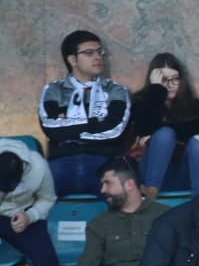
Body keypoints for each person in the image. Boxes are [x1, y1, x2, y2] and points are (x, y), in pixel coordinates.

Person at [38, 30, 131, 197]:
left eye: (99, 52)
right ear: (72, 59)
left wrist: (69, 128)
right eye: (89, 53)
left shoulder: (115, 90)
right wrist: (95, 123)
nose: (97, 57)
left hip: (104, 162)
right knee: (34, 194)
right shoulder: (54, 90)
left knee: (121, 192)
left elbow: (115, 131)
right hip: (62, 161)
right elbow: (50, 127)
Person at [127, 53, 199, 199]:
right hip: (149, 173)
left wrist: (159, 133)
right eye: (164, 80)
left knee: (196, 142)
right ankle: (151, 195)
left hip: (183, 171)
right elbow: (142, 129)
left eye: (175, 79)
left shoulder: (195, 105)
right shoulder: (141, 101)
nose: (170, 85)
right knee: (165, 135)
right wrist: (156, 92)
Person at [0, 139, 58, 266]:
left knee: (47, 260)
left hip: (21, 215)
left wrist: (29, 216)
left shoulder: (39, 166)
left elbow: (47, 199)